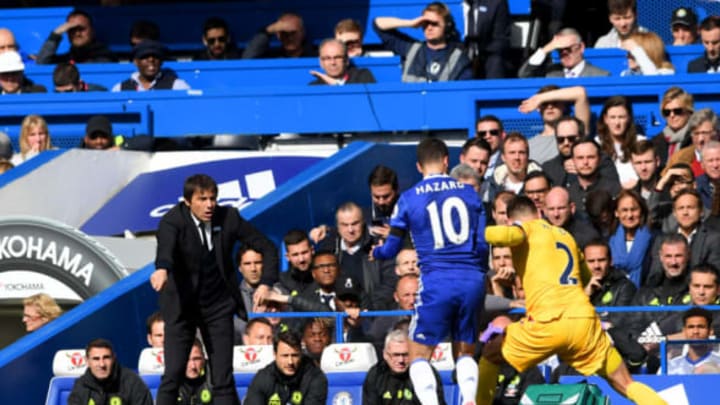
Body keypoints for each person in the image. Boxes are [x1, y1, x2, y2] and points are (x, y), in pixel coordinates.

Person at [478, 195, 667, 405]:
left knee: (490, 353)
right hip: (583, 322)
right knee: (625, 382)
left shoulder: (526, 229)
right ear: (540, 213)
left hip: (548, 322)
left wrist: (472, 232)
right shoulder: (566, 236)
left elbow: (510, 235)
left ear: (513, 220)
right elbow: (586, 276)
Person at [372, 138, 488, 405]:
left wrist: (376, 252)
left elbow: (391, 248)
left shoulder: (409, 198)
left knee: (418, 355)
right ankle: (469, 399)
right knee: (465, 352)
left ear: (418, 166)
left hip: (438, 280)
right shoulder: (470, 193)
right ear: (447, 161)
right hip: (472, 279)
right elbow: (481, 245)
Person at [150, 173, 279, 405]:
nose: (209, 205)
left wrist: (266, 283)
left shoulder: (228, 217)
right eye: (202, 199)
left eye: (212, 198)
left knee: (223, 378)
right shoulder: (172, 221)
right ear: (187, 201)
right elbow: (165, 251)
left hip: (218, 305)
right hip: (183, 308)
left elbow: (267, 246)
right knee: (173, 375)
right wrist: (162, 269)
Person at [316, 202, 397, 310]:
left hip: (372, 315)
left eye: (355, 224)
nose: (350, 230)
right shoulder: (328, 249)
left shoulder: (379, 247)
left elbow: (390, 282)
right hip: (337, 317)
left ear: (363, 222)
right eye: (345, 225)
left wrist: (368, 310)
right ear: (337, 227)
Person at [373, 2, 472, 82]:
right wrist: (410, 23)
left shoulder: (459, 59)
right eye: (425, 23)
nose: (429, 28)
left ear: (447, 26)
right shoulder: (410, 48)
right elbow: (377, 24)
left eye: (434, 23)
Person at [363, 329, 445, 405]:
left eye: (405, 355)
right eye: (396, 355)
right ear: (385, 355)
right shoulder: (376, 374)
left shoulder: (424, 372)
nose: (401, 360)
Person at [244, 331, 328, 405]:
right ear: (275, 354)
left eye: (295, 355)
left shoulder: (315, 378)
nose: (290, 362)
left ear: (301, 354)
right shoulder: (263, 378)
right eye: (285, 356)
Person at [518, 85, 591, 164]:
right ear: (538, 108)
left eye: (555, 103)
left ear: (564, 106)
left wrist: (540, 98)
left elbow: (581, 94)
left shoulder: (575, 133)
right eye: (544, 104)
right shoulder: (529, 144)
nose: (550, 107)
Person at [68, 338, 153, 405]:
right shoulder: (81, 386)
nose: (102, 364)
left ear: (113, 358)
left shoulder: (132, 382)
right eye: (96, 359)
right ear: (87, 361)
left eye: (106, 358)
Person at [542, 116, 619, 189]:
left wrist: (586, 173)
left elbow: (613, 188)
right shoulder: (549, 167)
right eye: (560, 139)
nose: (566, 143)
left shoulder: (601, 161)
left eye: (571, 138)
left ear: (582, 136)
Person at [583, 240, 637, 329]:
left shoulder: (625, 287)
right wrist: (585, 295)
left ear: (611, 261)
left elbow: (617, 323)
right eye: (591, 261)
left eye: (601, 260)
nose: (596, 266)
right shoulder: (577, 285)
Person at [518, 28, 610, 78]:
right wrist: (546, 49)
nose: (564, 53)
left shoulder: (601, 75)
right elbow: (524, 74)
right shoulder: (550, 73)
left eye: (569, 49)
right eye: (560, 50)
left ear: (581, 47)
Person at [596, 96, 646, 187]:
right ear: (605, 119)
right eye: (613, 117)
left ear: (629, 118)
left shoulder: (640, 141)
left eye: (621, 117)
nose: (617, 123)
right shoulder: (597, 144)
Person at [608, 189, 654, 287]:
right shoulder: (609, 242)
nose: (629, 215)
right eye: (624, 210)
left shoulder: (653, 240)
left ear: (641, 211)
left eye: (634, 210)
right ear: (616, 213)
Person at [36, 9, 115, 64]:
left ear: (92, 31)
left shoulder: (105, 56)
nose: (77, 34)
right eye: (72, 29)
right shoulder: (66, 59)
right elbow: (41, 64)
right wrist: (55, 34)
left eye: (81, 29)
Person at [113, 40, 190, 92]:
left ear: (161, 62)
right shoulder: (120, 89)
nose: (151, 60)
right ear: (136, 62)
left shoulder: (177, 86)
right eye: (145, 56)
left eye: (156, 57)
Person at [486, 132, 541, 203]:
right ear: (503, 157)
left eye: (521, 152)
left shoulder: (542, 183)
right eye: (512, 153)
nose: (517, 157)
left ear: (527, 156)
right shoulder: (493, 185)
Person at [665, 109, 720, 179]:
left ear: (717, 134)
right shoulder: (678, 159)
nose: (700, 139)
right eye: (696, 134)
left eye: (705, 133)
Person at [463, 0, 511, 79]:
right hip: (460, 53)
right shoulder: (446, 7)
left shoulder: (496, 3)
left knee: (496, 61)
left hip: (486, 54)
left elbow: (501, 40)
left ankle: (494, 89)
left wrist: (480, 50)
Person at [667, 307, 720, 375]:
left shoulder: (718, 363)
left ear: (710, 331)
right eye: (691, 327)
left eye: (701, 327)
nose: (695, 331)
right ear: (684, 331)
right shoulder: (670, 367)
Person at [651, 87, 694, 169]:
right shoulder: (656, 142)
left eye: (677, 111)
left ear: (689, 111)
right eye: (667, 112)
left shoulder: (696, 139)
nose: (672, 115)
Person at [243, 13, 316, 59]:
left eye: (293, 33)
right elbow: (247, 59)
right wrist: (268, 30)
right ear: (278, 35)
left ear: (302, 33)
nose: (290, 38)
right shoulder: (272, 56)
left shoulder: (315, 56)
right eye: (284, 33)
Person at [309, 39, 376, 85]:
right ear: (321, 62)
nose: (333, 62)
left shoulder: (362, 77)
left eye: (337, 57)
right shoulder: (314, 87)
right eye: (327, 58)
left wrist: (336, 85)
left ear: (346, 60)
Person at [277, 229, 315, 296]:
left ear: (312, 250)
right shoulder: (282, 281)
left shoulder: (324, 276)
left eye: (304, 253)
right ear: (287, 257)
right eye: (295, 255)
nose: (301, 259)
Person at [178, 339, 213, 404]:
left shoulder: (216, 379)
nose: (193, 366)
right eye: (187, 360)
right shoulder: (170, 383)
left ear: (203, 359)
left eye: (197, 359)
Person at [476, 115, 506, 180]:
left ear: (502, 135)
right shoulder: (467, 163)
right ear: (476, 137)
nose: (488, 136)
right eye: (482, 133)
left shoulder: (509, 162)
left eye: (493, 132)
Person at [698, 141, 720, 210]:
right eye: (710, 160)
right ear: (702, 165)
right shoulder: (696, 186)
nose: (715, 165)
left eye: (718, 159)